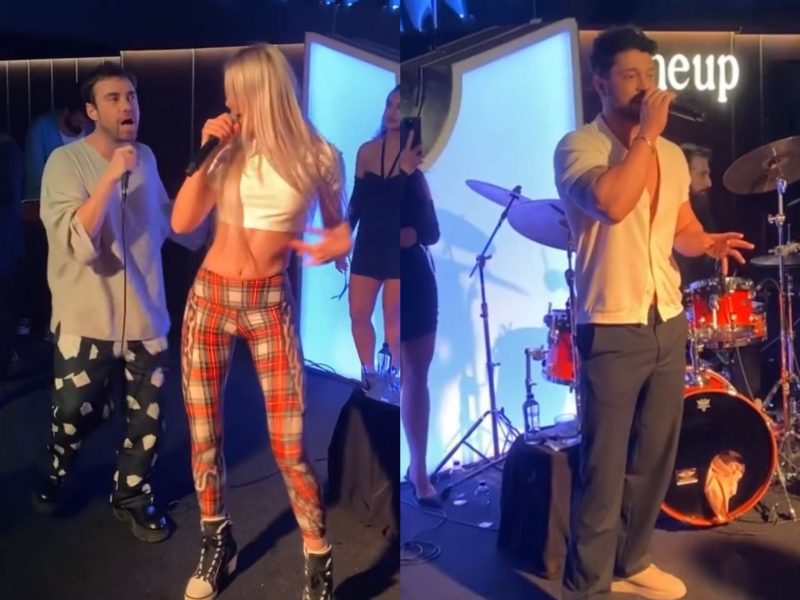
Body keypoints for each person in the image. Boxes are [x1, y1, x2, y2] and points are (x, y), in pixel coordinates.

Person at [554, 26, 753, 600]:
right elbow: (612, 204)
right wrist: (645, 136)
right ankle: (587, 585)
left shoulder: (668, 153)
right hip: (610, 323)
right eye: (630, 75)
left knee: (653, 458)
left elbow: (679, 226)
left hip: (665, 317)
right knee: (604, 465)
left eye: (650, 74)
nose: (645, 86)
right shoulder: (579, 147)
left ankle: (631, 561)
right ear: (600, 83)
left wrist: (706, 241)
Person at [170, 44, 350, 600]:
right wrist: (208, 153)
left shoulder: (320, 156)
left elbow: (338, 228)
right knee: (204, 435)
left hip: (269, 301)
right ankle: (216, 539)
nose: (228, 103)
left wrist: (338, 244)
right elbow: (182, 221)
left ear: (262, 92)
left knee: (289, 446)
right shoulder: (225, 150)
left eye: (236, 93)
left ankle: (318, 559)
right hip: (210, 297)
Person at [34, 63, 172, 543]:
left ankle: (131, 495)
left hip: (147, 317)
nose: (127, 105)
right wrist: (111, 176)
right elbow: (79, 243)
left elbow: (167, 222)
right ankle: (56, 467)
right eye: (113, 98)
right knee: (74, 414)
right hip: (86, 318)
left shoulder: (147, 157)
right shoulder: (65, 163)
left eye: (131, 96)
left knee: (147, 420)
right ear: (91, 111)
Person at [342, 86, 403, 390]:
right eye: (389, 104)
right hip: (369, 242)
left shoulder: (413, 156)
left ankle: (395, 380)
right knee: (357, 313)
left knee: (393, 317)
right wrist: (343, 238)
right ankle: (369, 376)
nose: (392, 112)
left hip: (399, 249)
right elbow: (357, 201)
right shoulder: (366, 151)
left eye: (399, 107)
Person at [398, 139, 441, 507]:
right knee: (391, 374)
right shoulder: (372, 167)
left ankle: (419, 470)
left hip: (416, 276)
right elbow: (355, 219)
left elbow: (432, 232)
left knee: (417, 375)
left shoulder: (417, 179)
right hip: (384, 277)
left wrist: (413, 234)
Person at [25, 87, 92, 201]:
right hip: (51, 201)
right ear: (66, 112)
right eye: (78, 121)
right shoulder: (41, 129)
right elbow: (35, 177)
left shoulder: (91, 128)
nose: (83, 126)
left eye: (87, 120)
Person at [0, 129, 24, 384]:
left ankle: (4, 362)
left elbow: (8, 196)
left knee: (4, 302)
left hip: (4, 240)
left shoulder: (7, 152)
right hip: (7, 238)